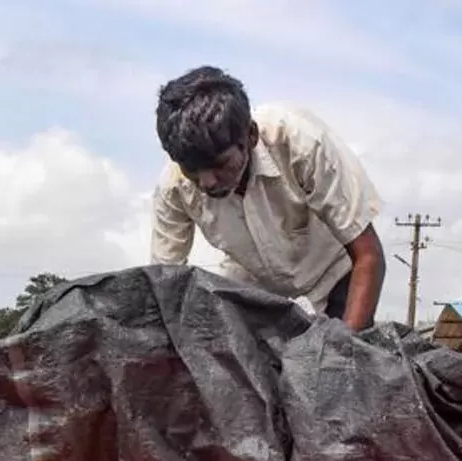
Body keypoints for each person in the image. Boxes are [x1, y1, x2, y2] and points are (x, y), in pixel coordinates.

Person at [149, 66, 387, 329]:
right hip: (252, 283)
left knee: (339, 360)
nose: (206, 182)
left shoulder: (302, 144)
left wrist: (344, 353)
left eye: (220, 165)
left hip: (333, 274)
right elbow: (165, 286)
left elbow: (368, 255)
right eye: (191, 169)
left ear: (250, 136)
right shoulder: (173, 187)